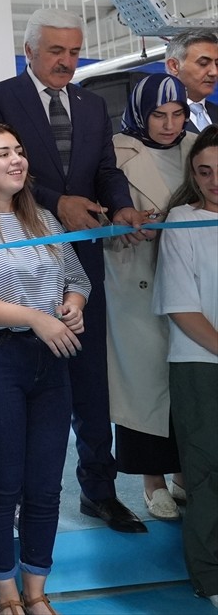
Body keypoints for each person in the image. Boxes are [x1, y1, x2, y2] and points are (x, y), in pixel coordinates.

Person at [0, 7, 150, 533]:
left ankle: (99, 489)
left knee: (90, 378)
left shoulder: (93, 106)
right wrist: (58, 202)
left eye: (74, 52)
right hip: (13, 258)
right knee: (24, 380)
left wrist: (119, 206)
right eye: (56, 51)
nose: (67, 62)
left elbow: (105, 171)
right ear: (29, 51)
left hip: (81, 261)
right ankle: (16, 500)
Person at [0, 123, 90, 615]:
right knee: (3, 484)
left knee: (46, 485)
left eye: (19, 150)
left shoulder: (45, 220)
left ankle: (36, 590)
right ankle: (5, 595)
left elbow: (76, 278)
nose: (16, 160)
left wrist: (72, 305)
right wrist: (36, 317)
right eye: (2, 154)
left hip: (51, 360)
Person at [106, 74, 194, 521]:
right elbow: (102, 212)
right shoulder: (117, 151)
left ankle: (182, 475)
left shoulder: (197, 148)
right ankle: (151, 481)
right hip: (135, 279)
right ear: (141, 113)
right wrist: (123, 228)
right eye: (159, 114)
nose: (169, 124)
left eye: (177, 113)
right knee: (142, 384)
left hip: (190, 281)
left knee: (186, 381)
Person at [153, 125, 218, 608]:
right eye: (204, 171)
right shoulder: (181, 220)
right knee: (208, 474)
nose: (214, 180)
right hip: (200, 365)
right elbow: (182, 306)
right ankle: (211, 579)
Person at [164, 28, 218, 133]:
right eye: (203, 63)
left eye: (217, 64)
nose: (214, 72)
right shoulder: (151, 120)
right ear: (174, 66)